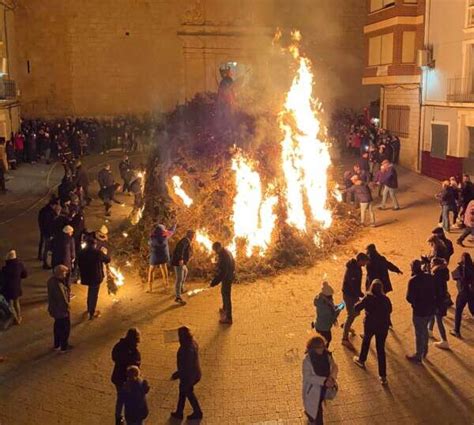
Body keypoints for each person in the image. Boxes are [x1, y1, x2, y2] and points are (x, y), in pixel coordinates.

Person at [352, 279, 392, 385]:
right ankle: (383, 376)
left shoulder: (368, 298)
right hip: (383, 327)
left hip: (370, 324)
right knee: (380, 349)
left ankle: (361, 360)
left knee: (366, 341)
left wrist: (361, 301)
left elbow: (357, 307)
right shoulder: (386, 299)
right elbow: (390, 310)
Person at [302, 335, 338, 425]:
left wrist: (332, 378)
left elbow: (334, 366)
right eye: (320, 347)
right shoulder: (307, 360)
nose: (322, 349)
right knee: (316, 410)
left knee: (318, 405)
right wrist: (324, 381)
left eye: (323, 346)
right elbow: (308, 377)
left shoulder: (327, 355)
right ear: (313, 348)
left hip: (324, 388)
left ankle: (311, 416)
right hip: (313, 390)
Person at [406, 260, 436, 363]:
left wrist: (415, 303)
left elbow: (409, 297)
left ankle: (418, 355)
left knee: (419, 332)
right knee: (425, 330)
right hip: (430, 309)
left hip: (419, 311)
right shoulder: (429, 277)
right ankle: (424, 351)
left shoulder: (413, 281)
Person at [171, 326, 203, 421]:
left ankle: (197, 412)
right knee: (183, 391)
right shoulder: (192, 342)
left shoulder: (186, 349)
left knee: (188, 392)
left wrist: (178, 374)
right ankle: (179, 412)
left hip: (188, 377)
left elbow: (186, 366)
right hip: (194, 374)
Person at [111, 328, 142, 425]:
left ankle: (118, 417)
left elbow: (114, 356)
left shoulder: (119, 345)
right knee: (127, 399)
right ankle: (128, 418)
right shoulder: (134, 352)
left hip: (117, 377)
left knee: (120, 398)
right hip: (126, 380)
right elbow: (135, 366)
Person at [341, 253, 369, 349]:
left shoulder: (357, 267)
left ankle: (346, 325)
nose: (366, 263)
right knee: (352, 314)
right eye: (365, 261)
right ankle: (344, 339)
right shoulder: (352, 270)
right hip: (349, 295)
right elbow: (352, 285)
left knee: (356, 312)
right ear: (360, 260)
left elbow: (355, 285)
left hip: (353, 294)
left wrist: (359, 294)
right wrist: (361, 294)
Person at [78, 239, 110, 320]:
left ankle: (89, 308)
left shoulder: (82, 252)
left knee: (90, 292)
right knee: (94, 294)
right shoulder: (97, 253)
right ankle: (92, 312)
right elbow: (107, 259)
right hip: (96, 277)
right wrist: (104, 253)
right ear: (94, 245)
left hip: (86, 276)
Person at [47, 265, 71, 353]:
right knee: (65, 328)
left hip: (54, 309)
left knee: (57, 326)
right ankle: (64, 347)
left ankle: (56, 345)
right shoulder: (58, 285)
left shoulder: (51, 281)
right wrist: (67, 307)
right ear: (60, 274)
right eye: (64, 273)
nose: (65, 275)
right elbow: (62, 298)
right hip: (61, 311)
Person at [210, 241, 235, 324]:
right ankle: (224, 309)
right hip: (228, 276)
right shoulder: (225, 252)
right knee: (223, 292)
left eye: (215, 250)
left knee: (226, 295)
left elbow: (223, 272)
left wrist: (215, 282)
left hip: (227, 277)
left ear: (218, 248)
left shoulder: (224, 256)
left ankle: (229, 318)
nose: (215, 252)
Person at [428, 257, 450, 349]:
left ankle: (444, 340)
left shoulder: (436, 274)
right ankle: (429, 330)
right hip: (442, 299)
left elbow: (434, 287)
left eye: (432, 263)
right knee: (433, 314)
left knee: (438, 319)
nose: (431, 264)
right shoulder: (443, 273)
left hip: (438, 300)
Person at [450, 253, 474, 338]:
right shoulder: (472, 267)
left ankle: (456, 330)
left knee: (458, 311)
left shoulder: (461, 268)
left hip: (463, 293)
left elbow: (454, 276)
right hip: (472, 293)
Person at [1, 250, 27, 325]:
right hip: (16, 287)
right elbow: (25, 274)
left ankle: (15, 318)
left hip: (8, 289)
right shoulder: (20, 265)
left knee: (11, 305)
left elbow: (2, 280)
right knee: (17, 302)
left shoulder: (5, 269)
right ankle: (19, 316)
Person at [147, 224, 176, 293]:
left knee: (151, 270)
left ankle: (150, 288)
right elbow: (172, 231)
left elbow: (149, 243)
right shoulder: (165, 235)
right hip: (164, 255)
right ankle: (166, 285)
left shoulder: (153, 237)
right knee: (163, 267)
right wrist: (174, 224)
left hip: (155, 256)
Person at [171, 230, 195, 305]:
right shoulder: (185, 241)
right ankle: (178, 297)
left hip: (181, 262)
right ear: (190, 236)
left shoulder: (186, 241)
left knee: (185, 271)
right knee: (179, 278)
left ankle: (181, 288)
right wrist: (181, 259)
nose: (194, 237)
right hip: (178, 262)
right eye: (193, 235)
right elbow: (180, 249)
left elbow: (185, 250)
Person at [313, 281, 340, 347]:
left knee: (321, 341)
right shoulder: (327, 307)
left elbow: (331, 308)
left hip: (318, 325)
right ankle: (324, 352)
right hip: (324, 328)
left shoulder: (320, 300)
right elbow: (332, 317)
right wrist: (338, 310)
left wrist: (336, 307)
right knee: (327, 340)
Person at [38, 199, 60, 269]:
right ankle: (45, 263)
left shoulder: (43, 210)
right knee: (47, 248)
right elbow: (49, 224)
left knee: (43, 244)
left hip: (43, 230)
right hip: (48, 232)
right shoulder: (49, 213)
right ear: (52, 205)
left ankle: (40, 257)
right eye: (55, 206)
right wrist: (50, 234)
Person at [51, 225, 76, 289]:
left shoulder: (56, 237)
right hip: (66, 261)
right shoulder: (70, 239)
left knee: (58, 275)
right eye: (71, 232)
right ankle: (67, 290)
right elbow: (72, 251)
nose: (72, 233)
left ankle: (58, 289)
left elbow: (51, 247)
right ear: (69, 232)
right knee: (67, 276)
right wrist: (73, 258)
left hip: (56, 260)